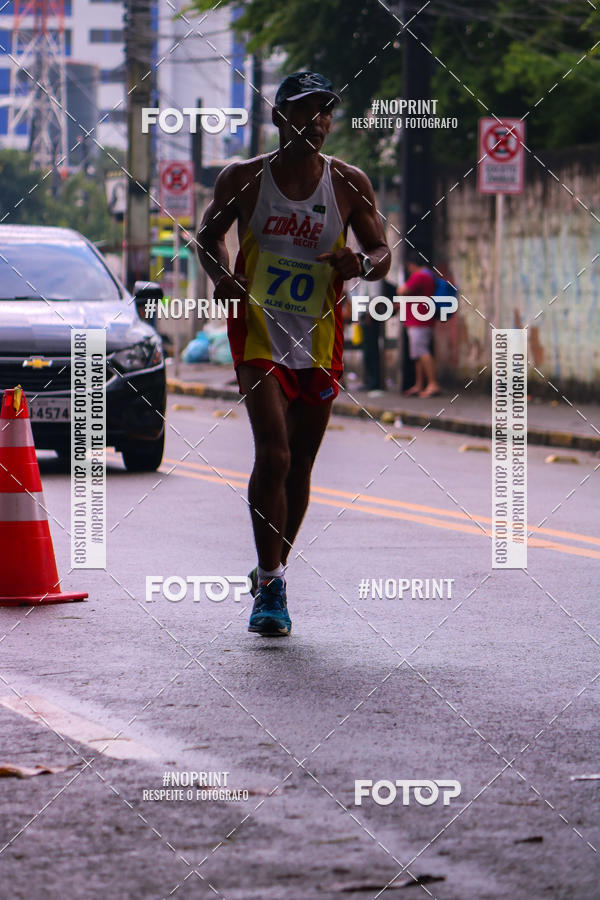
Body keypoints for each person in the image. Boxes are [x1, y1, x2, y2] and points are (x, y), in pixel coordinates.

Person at [197, 71, 391, 636]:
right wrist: (221, 276)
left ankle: (270, 567)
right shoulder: (244, 178)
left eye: (326, 112)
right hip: (258, 331)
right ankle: (274, 583)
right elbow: (208, 236)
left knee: (302, 462)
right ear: (280, 117)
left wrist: (363, 263)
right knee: (275, 455)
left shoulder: (349, 183)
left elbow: (381, 250)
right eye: (305, 112)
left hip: (321, 336)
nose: (318, 123)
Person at [397, 250, 441, 398]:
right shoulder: (429, 275)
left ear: (412, 265)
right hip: (423, 319)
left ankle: (433, 384)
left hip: (419, 321)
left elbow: (402, 290)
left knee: (422, 352)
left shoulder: (420, 276)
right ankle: (419, 384)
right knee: (418, 354)